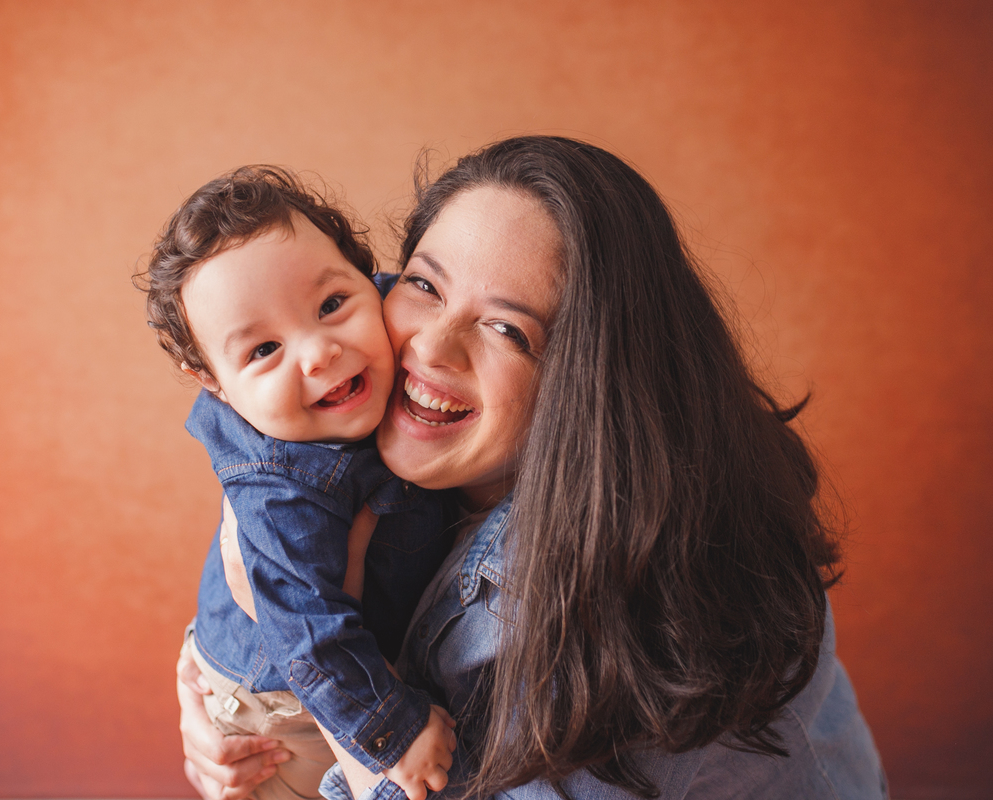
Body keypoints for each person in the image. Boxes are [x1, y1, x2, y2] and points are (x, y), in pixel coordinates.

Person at [177, 137, 888, 799]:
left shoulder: (620, 617)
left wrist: (333, 722)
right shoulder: (358, 407)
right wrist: (228, 687)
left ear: (595, 381)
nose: (433, 346)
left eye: (509, 330)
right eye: (425, 285)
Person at [139, 166, 458, 800]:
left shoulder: (405, 321)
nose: (318, 353)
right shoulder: (279, 488)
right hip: (281, 701)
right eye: (262, 351)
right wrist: (391, 731)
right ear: (214, 384)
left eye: (333, 305)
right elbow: (306, 632)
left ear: (374, 283)